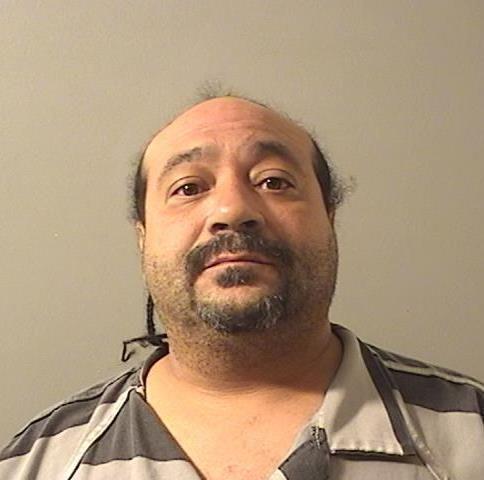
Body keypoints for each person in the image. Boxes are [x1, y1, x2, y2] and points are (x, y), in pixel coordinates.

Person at [1, 94, 482, 480]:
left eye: (273, 181)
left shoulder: (474, 434)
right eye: (189, 188)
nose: (232, 210)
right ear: (143, 237)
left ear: (329, 219)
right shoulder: (33, 464)